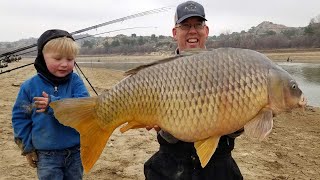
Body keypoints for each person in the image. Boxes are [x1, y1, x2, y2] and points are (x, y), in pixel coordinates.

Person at [144, 1, 244, 180]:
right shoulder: (158, 74)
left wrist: (243, 115)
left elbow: (237, 129)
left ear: (206, 31)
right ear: (175, 32)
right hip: (171, 163)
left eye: (198, 24)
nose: (192, 31)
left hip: (219, 164)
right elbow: (168, 137)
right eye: (185, 25)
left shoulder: (228, 67)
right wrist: (162, 125)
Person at [11, 29, 89, 180]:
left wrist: (54, 105)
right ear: (42, 58)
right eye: (58, 58)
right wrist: (27, 148)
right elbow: (20, 118)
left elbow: (83, 108)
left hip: (75, 151)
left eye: (70, 59)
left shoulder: (76, 82)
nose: (64, 64)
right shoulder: (29, 86)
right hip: (46, 155)